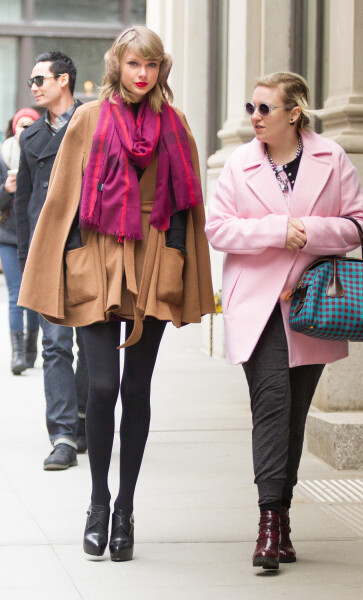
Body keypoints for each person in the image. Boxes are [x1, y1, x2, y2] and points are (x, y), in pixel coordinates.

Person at [19, 26, 215, 562]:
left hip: (152, 260)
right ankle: (98, 500)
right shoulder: (88, 119)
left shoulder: (174, 124)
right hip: (98, 261)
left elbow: (182, 203)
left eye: (151, 66)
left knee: (138, 390)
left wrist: (174, 257)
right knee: (102, 385)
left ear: (160, 70)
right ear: (118, 66)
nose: (142, 74)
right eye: (134, 64)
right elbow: (63, 198)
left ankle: (126, 507)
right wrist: (71, 258)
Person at [205, 72, 363, 570]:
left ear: (293, 113)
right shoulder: (239, 162)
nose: (254, 117)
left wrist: (309, 231)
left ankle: (283, 518)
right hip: (258, 305)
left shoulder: (331, 157)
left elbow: (358, 223)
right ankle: (268, 523)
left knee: (294, 417)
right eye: (250, 107)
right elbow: (219, 228)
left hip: (313, 304)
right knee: (272, 407)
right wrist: (280, 231)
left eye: (264, 109)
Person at [14, 52, 88, 469]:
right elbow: (25, 205)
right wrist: (27, 262)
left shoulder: (94, 124)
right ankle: (61, 435)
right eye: (31, 81)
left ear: (64, 80)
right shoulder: (30, 138)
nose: (34, 87)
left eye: (40, 79)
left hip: (88, 250)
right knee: (55, 345)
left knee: (93, 348)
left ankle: (82, 422)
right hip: (47, 254)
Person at [0, 108, 40, 374]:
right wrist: (6, 189)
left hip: (35, 235)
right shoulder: (3, 156)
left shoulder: (42, 154)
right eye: (20, 125)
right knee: (15, 294)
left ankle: (30, 348)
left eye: (30, 125)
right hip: (8, 235)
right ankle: (17, 354)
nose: (24, 129)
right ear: (13, 127)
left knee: (35, 296)